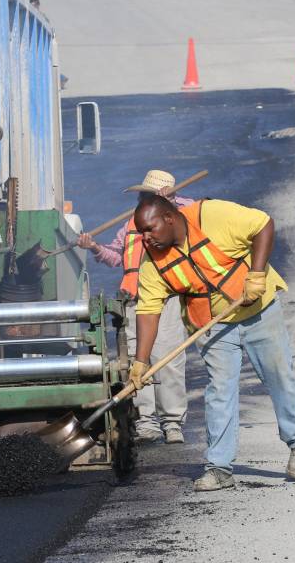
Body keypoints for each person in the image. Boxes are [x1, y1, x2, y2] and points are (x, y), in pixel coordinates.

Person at [129, 194, 295, 492]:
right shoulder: (153, 262)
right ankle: (219, 467)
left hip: (259, 311)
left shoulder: (211, 216)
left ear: (169, 218)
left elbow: (264, 225)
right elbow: (148, 311)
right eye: (141, 233)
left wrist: (256, 274)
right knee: (219, 392)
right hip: (213, 325)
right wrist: (141, 361)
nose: (146, 238)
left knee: (279, 378)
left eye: (149, 229)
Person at [77, 169, 193, 445]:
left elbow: (192, 218)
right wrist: (94, 247)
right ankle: (146, 421)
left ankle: (173, 422)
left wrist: (172, 203)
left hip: (166, 298)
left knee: (169, 360)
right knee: (137, 363)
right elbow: (116, 257)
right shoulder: (131, 224)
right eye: (141, 195)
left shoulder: (183, 213)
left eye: (146, 195)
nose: (140, 199)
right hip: (134, 300)